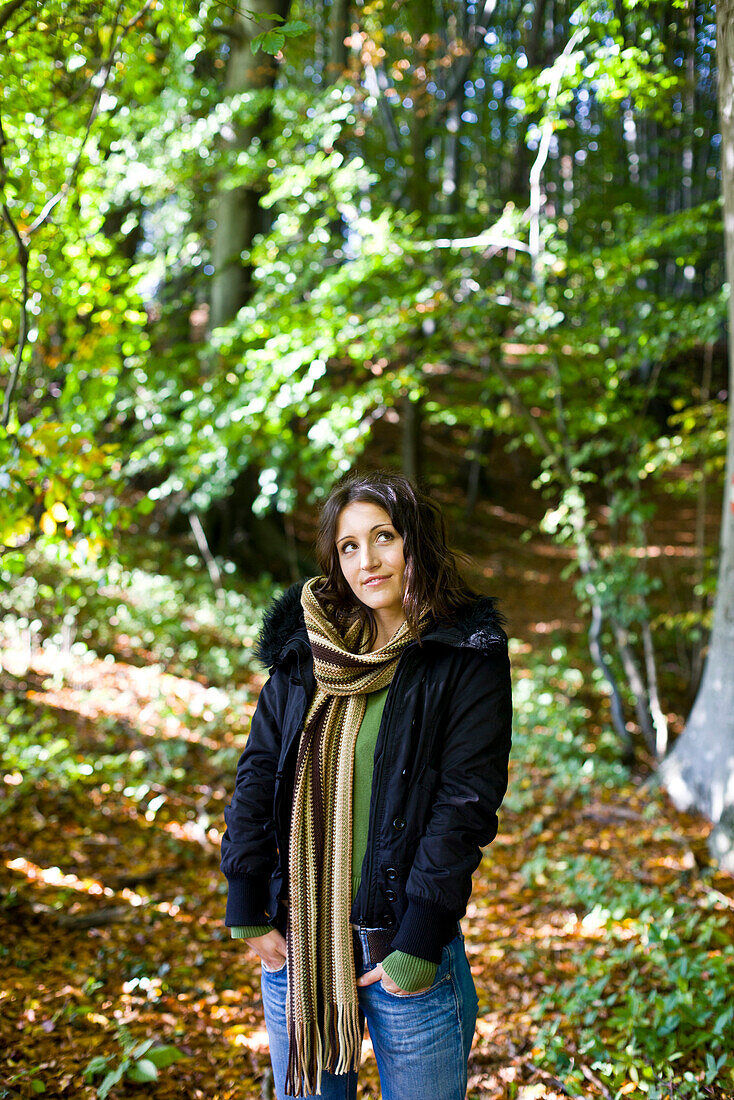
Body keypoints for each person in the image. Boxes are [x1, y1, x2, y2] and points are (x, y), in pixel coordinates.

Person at [220, 470, 513, 1100]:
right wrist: (247, 901)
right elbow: (259, 770)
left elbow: (464, 803)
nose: (368, 560)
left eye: (383, 537)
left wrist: (419, 940)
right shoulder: (308, 652)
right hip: (300, 945)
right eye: (349, 546)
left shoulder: (463, 655)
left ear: (415, 544)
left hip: (403, 949)